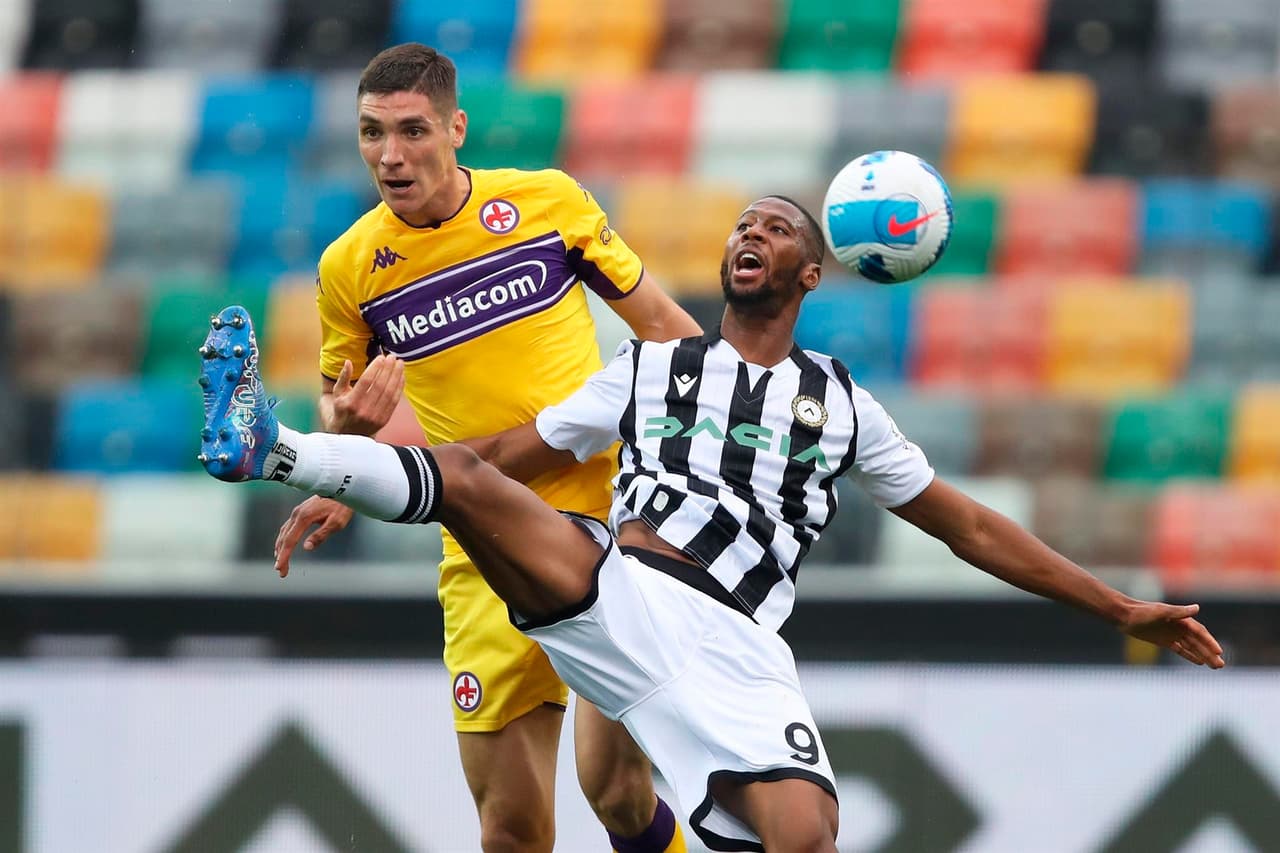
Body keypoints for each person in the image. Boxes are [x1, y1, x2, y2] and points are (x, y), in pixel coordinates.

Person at [198, 195, 1226, 852]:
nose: (750, 235)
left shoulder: (844, 406)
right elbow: (504, 459)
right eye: (741, 224)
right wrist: (354, 474)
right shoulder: (648, 366)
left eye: (775, 227)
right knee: (466, 478)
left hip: (734, 643)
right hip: (620, 587)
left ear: (811, 272)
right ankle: (270, 447)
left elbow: (966, 526)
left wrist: (1116, 603)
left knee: (795, 835)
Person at [277, 42, 701, 853]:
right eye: (371, 133)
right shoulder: (350, 269)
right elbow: (341, 410)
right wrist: (347, 450)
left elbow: (666, 330)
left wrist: (745, 412)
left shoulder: (547, 203)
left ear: (457, 127)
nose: (390, 157)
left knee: (615, 791)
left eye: (412, 131)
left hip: (610, 513)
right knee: (510, 829)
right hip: (484, 542)